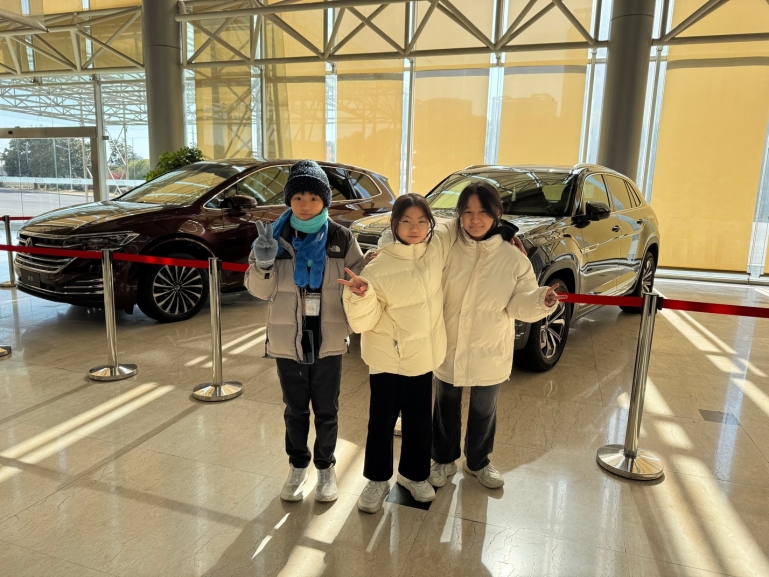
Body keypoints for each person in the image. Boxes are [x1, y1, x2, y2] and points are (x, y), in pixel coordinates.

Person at [428, 182, 564, 490]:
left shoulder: (513, 258)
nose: (475, 220)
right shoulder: (448, 248)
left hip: (489, 347)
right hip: (448, 343)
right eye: (467, 212)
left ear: (497, 213)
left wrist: (540, 301)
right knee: (445, 403)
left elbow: (518, 303)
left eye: (483, 212)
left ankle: (478, 461)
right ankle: (443, 458)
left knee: (484, 407)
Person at [245, 160, 365, 504]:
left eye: (313, 197)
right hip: (287, 340)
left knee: (327, 410)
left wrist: (362, 285)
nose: (305, 204)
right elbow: (259, 291)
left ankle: (326, 468)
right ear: (289, 200)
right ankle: (298, 466)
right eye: (298, 197)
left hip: (328, 338)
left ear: (324, 200)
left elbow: (358, 281)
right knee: (295, 409)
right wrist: (263, 263)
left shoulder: (341, 238)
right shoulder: (274, 237)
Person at [339, 193, 454, 514]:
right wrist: (360, 296)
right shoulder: (378, 266)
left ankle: (413, 475)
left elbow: (461, 225)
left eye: (421, 221)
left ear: (430, 224)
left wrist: (504, 234)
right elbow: (363, 322)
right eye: (406, 221)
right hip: (387, 361)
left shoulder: (434, 252)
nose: (414, 228)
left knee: (419, 422)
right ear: (394, 224)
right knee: (381, 422)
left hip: (422, 357)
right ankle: (377, 480)